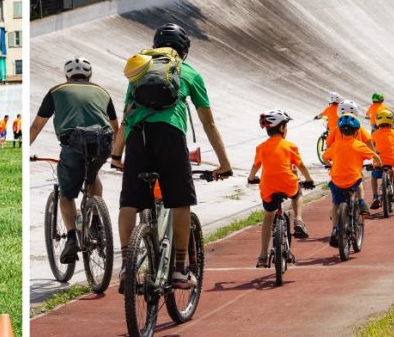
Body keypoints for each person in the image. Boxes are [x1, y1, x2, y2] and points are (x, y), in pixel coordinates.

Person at [110, 23, 232, 289]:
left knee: (129, 202)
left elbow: (127, 117)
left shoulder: (140, 69)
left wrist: (116, 155)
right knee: (179, 201)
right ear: (184, 51)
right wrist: (224, 163)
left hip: (138, 137)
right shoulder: (189, 73)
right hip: (170, 135)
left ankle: (126, 268)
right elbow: (209, 123)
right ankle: (179, 268)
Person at [30, 56, 119, 264]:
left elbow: (36, 126)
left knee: (67, 195)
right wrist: (117, 155)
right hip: (102, 144)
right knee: (93, 175)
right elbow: (116, 127)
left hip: (73, 145)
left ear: (66, 75)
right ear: (90, 75)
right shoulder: (102, 92)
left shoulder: (56, 91)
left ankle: (71, 238)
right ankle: (97, 222)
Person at [248, 110, 313, 267]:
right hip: (287, 183)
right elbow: (300, 165)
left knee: (268, 217)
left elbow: (256, 165)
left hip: (268, 186)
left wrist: (251, 178)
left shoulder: (261, 147)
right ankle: (298, 220)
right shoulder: (290, 146)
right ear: (282, 128)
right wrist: (309, 179)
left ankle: (263, 256)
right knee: (297, 194)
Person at [322, 115, 381, 248]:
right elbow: (375, 157)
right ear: (356, 132)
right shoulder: (359, 145)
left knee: (336, 204)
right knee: (359, 180)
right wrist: (378, 165)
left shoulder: (336, 145)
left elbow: (324, 156)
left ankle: (335, 229)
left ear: (341, 131)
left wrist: (330, 165)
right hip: (352, 180)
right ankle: (361, 201)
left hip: (337, 180)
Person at [368, 109, 394, 209]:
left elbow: (370, 144)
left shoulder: (375, 134)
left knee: (373, 177)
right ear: (392, 121)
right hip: (391, 161)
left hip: (379, 162)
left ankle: (375, 196)